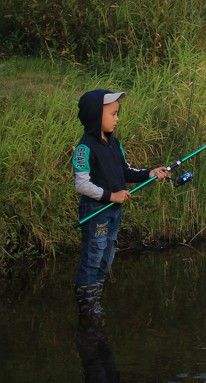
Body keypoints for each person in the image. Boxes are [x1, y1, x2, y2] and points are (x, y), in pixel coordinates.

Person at [72, 89, 169, 317]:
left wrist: (150, 173)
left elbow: (126, 171)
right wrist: (112, 196)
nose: (117, 119)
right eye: (113, 114)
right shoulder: (84, 148)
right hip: (96, 211)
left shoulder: (115, 144)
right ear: (95, 115)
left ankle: (95, 302)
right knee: (94, 256)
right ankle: (87, 305)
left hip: (113, 213)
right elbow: (81, 184)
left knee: (107, 255)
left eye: (118, 114)